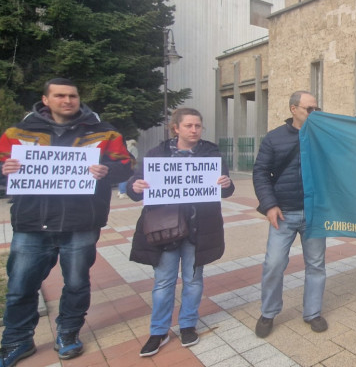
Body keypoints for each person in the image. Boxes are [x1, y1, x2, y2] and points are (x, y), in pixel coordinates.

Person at [0, 78, 133, 365]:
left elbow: (126, 165)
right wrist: (4, 170)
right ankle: (16, 340)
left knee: (76, 283)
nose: (67, 101)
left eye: (72, 95)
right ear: (45, 100)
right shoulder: (19, 132)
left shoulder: (103, 132)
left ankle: (68, 334)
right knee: (21, 285)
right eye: (60, 96)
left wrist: (106, 170)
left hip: (81, 222)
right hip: (31, 222)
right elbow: (2, 166)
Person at [128, 108, 234, 356]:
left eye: (198, 126)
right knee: (164, 282)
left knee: (193, 280)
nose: (194, 130)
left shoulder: (212, 154)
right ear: (175, 128)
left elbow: (225, 190)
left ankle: (188, 325)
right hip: (166, 230)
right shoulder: (156, 154)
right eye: (188, 126)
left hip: (199, 229)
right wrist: (136, 186)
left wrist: (226, 185)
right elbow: (135, 190)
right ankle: (158, 331)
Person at [252, 91, 327, 338]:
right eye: (309, 109)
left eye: (317, 109)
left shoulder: (323, 136)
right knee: (273, 264)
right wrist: (269, 205)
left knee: (316, 265)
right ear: (294, 109)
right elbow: (261, 172)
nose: (314, 113)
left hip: (314, 214)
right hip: (283, 213)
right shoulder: (274, 138)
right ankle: (268, 313)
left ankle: (313, 312)